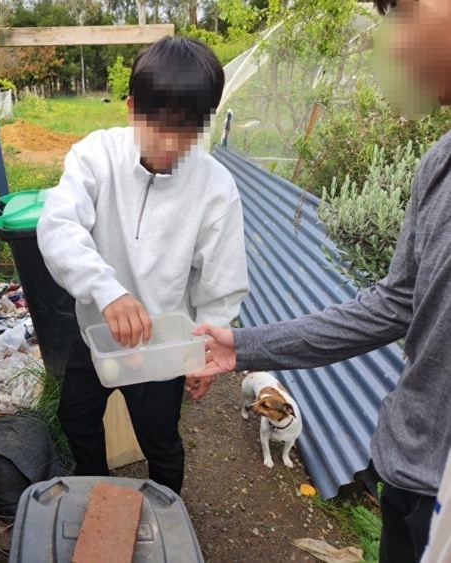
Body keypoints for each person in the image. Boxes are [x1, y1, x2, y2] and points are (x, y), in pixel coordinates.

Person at [191, 0, 451, 560]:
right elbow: (394, 302)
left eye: (403, 13)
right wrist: (245, 345)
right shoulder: (439, 164)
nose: (396, 45)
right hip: (405, 471)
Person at [36, 36, 250, 495]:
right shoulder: (95, 156)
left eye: (190, 131)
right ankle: (96, 487)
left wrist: (206, 348)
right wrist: (106, 290)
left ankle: (166, 508)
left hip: (161, 350)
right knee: (74, 415)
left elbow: (221, 281)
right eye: (162, 127)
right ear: (133, 109)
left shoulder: (215, 187)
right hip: (98, 333)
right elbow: (58, 225)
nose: (173, 144)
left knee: (161, 441)